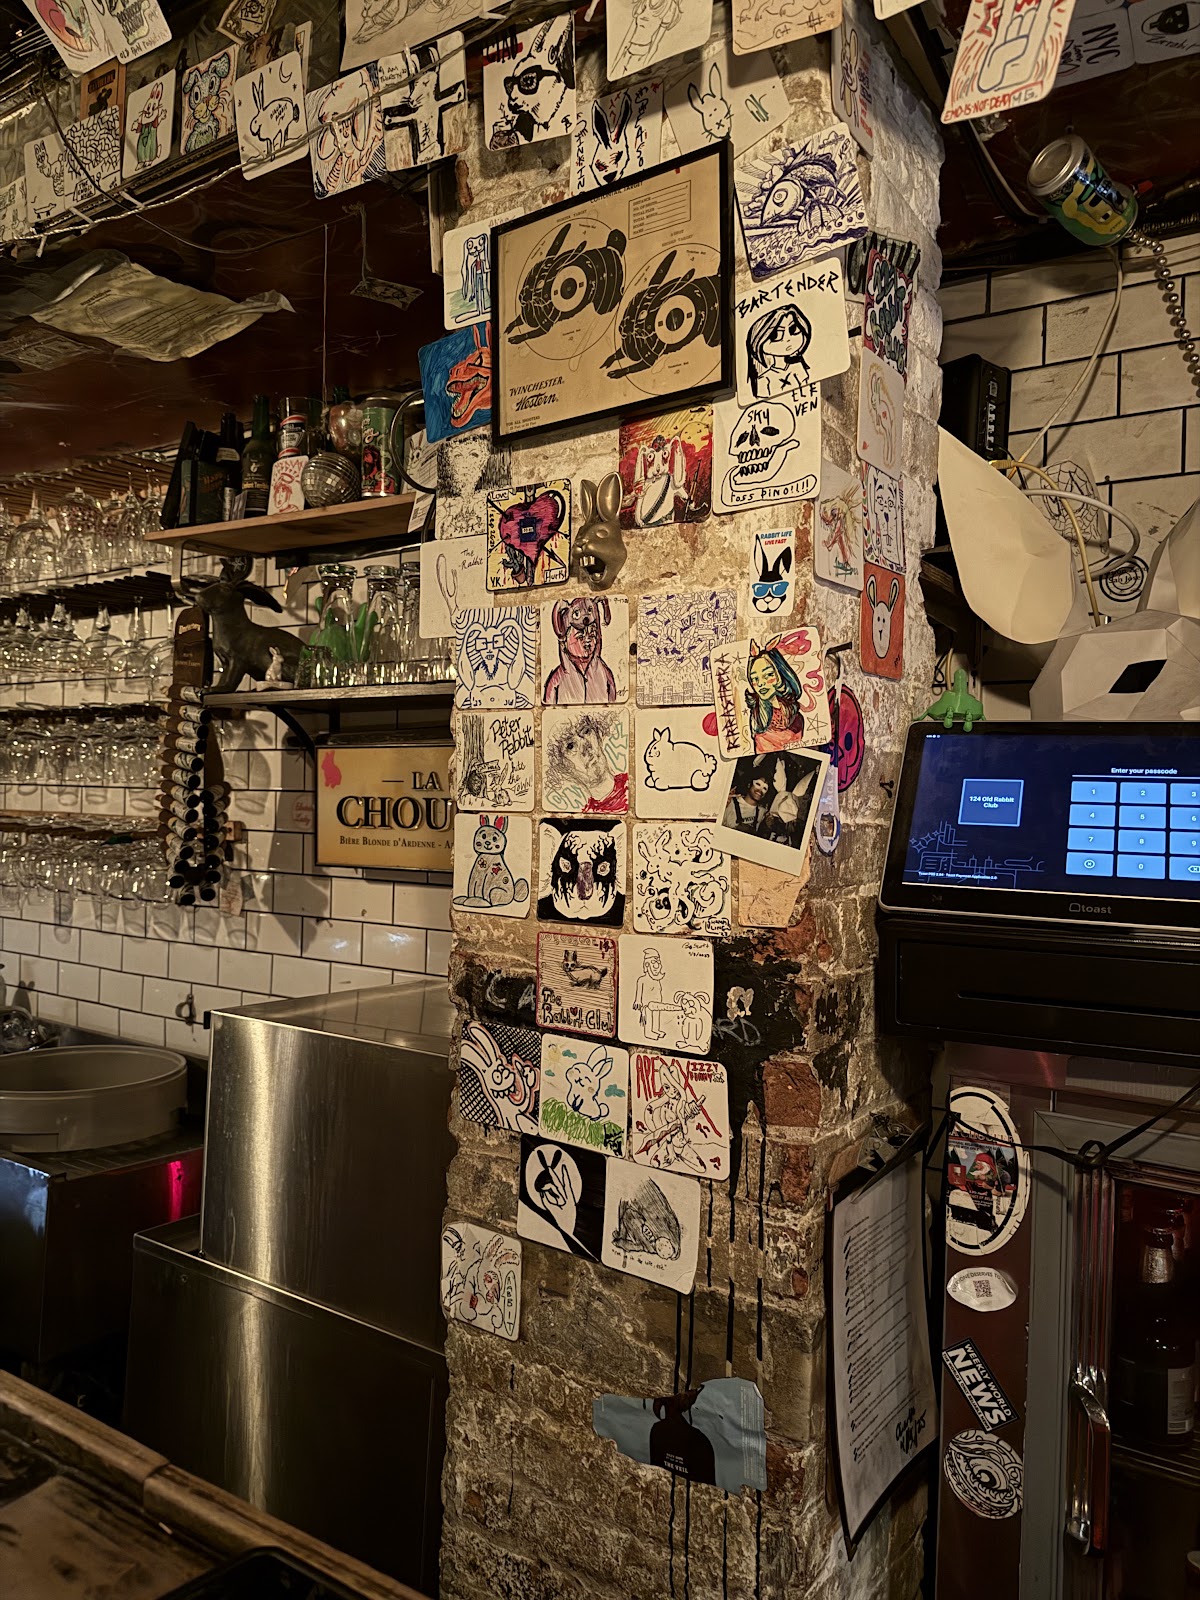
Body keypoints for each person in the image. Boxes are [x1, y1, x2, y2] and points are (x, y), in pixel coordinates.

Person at [746, 643, 809, 753]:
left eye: (768, 675)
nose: (760, 684)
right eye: (755, 679)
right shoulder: (758, 717)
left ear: (781, 675)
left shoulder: (794, 715)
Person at [746, 304, 812, 398]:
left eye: (793, 329)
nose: (787, 339)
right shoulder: (764, 379)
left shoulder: (797, 367)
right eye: (775, 336)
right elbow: (762, 402)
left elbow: (807, 392)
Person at [722, 769, 770, 834]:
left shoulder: (762, 813)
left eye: (764, 788)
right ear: (749, 784)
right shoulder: (729, 804)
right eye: (758, 784)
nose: (760, 790)